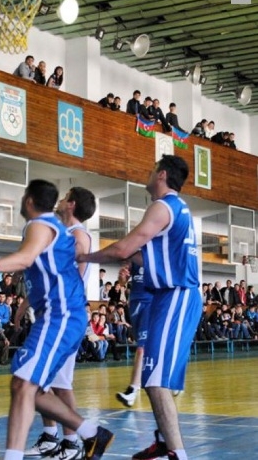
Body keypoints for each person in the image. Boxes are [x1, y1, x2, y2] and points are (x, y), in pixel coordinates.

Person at [0, 179, 113, 460]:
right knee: (31, 388)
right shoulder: (56, 229)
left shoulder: (41, 224)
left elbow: (25, 259)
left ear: (28, 200)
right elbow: (38, 265)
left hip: (61, 315)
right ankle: (90, 433)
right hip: (62, 315)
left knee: (26, 384)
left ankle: (62, 441)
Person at [79, 155, 202, 460]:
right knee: (152, 378)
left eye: (151, 169)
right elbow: (142, 256)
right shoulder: (178, 209)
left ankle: (177, 454)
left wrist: (84, 257)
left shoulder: (163, 207)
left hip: (176, 296)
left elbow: (124, 247)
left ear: (162, 174)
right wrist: (124, 256)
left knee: (157, 381)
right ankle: (164, 440)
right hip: (167, 297)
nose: (148, 173)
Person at [25, 186, 96, 459]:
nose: (61, 200)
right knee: (41, 381)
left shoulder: (78, 235)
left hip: (66, 317)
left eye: (65, 197)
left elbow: (66, 278)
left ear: (72, 204)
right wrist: (25, 305)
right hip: (51, 314)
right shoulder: (63, 233)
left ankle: (72, 441)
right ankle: (50, 436)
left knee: (61, 384)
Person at [116, 262, 153, 407]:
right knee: (144, 346)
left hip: (151, 303)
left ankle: (132, 389)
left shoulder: (157, 256)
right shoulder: (135, 258)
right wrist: (122, 277)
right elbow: (122, 282)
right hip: (135, 304)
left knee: (141, 348)